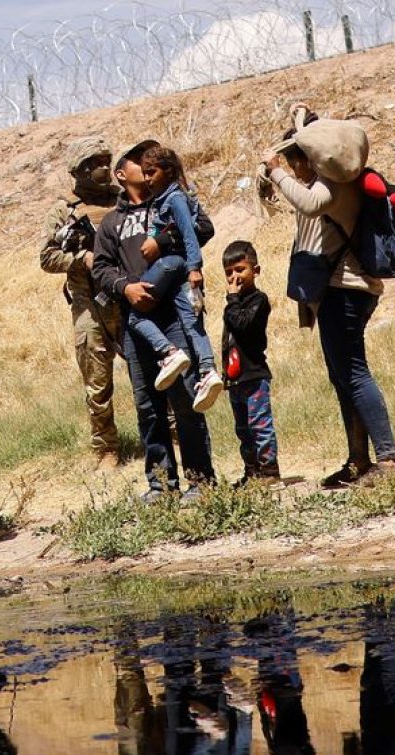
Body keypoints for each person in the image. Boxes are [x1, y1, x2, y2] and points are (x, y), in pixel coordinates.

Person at [265, 124, 395, 488]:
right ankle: (358, 460)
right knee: (343, 376)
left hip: (345, 289)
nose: (296, 171)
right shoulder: (337, 181)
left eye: (297, 163)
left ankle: (387, 460)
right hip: (340, 290)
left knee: (354, 373)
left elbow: (310, 203)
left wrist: (274, 170)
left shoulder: (332, 186)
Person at [92, 139, 218, 502]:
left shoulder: (170, 200)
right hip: (136, 322)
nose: (145, 169)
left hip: (174, 314)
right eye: (138, 164)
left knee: (186, 398)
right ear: (122, 174)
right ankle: (161, 485)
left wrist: (163, 240)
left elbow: (203, 229)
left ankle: (201, 482)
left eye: (151, 165)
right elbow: (101, 268)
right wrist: (126, 288)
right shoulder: (111, 223)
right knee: (148, 406)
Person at [40, 136, 125, 466]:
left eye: (107, 160)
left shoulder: (124, 200)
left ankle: (167, 436)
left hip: (127, 296)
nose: (105, 167)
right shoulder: (64, 211)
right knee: (96, 379)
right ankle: (106, 448)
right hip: (88, 302)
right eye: (97, 162)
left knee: (150, 370)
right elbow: (47, 258)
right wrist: (80, 258)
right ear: (80, 170)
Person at [132, 145, 224, 413]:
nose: (147, 178)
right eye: (145, 173)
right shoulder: (164, 198)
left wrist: (195, 267)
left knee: (136, 315)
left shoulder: (174, 199)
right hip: (179, 270)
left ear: (168, 171)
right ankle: (207, 370)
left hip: (172, 264)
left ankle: (170, 353)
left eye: (152, 172)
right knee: (191, 321)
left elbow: (189, 234)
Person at [219, 240, 281, 486]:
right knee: (243, 429)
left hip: (254, 375)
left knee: (260, 424)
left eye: (240, 269)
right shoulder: (231, 305)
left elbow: (243, 325)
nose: (235, 276)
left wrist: (232, 300)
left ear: (255, 271)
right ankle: (252, 472)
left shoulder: (259, 300)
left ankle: (269, 471)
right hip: (235, 378)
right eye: (229, 272)